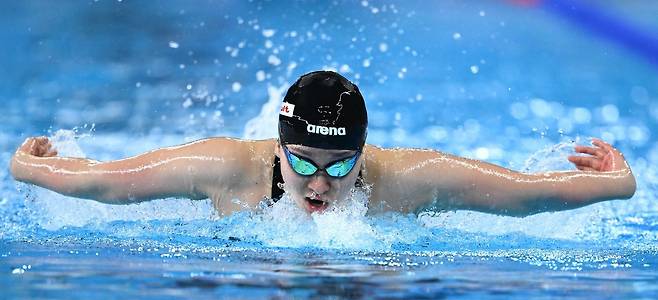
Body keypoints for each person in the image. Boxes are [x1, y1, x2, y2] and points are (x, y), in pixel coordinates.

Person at [10, 70, 636, 217]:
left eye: (341, 166)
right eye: (302, 160)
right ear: (278, 146)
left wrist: (618, 182)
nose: (318, 183)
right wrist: (28, 169)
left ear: (365, 153)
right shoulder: (228, 169)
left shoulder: (410, 179)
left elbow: (524, 194)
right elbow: (106, 181)